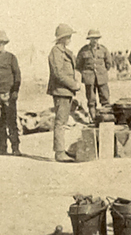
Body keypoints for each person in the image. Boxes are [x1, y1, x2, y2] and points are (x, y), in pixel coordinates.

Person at [47, 24, 81, 162]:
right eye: (68, 37)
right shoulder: (56, 52)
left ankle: (61, 150)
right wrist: (74, 85)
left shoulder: (64, 51)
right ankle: (59, 153)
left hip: (66, 91)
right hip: (61, 91)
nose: (70, 39)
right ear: (63, 38)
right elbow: (58, 74)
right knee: (60, 122)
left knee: (63, 121)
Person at [76, 29, 112, 121]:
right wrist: (86, 73)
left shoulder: (103, 50)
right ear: (89, 39)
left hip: (102, 78)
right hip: (89, 79)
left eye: (96, 38)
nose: (94, 40)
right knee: (91, 100)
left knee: (105, 98)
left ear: (98, 39)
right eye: (92, 38)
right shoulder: (83, 50)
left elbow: (109, 63)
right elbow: (78, 65)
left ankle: (106, 118)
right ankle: (94, 118)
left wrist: (102, 72)